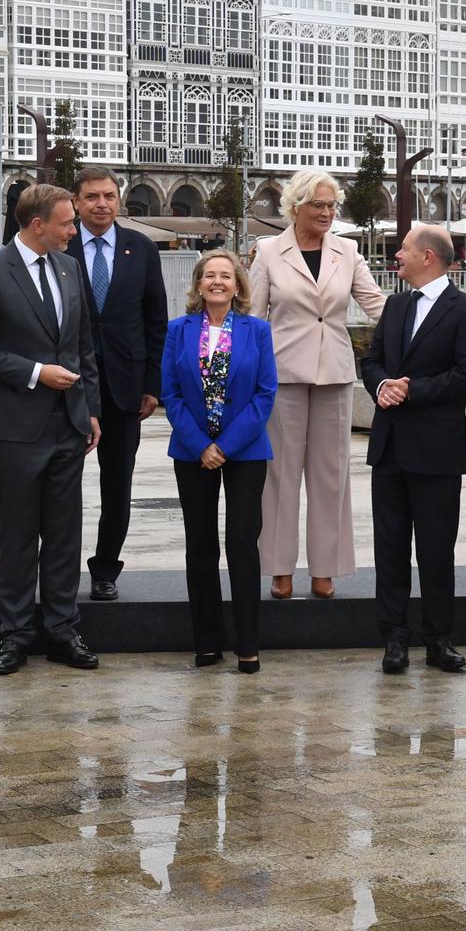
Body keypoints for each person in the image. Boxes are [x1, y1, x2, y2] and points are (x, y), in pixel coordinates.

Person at [0, 183, 102, 675]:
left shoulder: (69, 267)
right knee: (19, 536)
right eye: (67, 223)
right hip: (15, 428)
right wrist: (36, 372)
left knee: (65, 536)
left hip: (69, 424)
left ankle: (63, 630)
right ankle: (15, 634)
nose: (74, 230)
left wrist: (91, 410)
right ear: (37, 224)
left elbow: (84, 347)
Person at [247, 169, 386, 599]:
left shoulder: (348, 250)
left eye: (332, 206)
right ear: (296, 207)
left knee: (331, 475)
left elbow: (376, 304)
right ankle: (279, 568)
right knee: (279, 474)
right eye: (319, 205)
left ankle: (326, 567)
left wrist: (426, 323)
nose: (327, 213)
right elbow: (253, 317)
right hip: (282, 375)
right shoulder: (268, 251)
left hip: (337, 375)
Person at [360, 224, 466, 674]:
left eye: (404, 249)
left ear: (429, 257)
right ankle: (394, 639)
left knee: (436, 550)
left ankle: (439, 639)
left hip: (437, 450)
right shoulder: (395, 306)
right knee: (389, 549)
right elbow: (371, 360)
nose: (397, 255)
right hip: (390, 447)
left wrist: (411, 390)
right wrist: (380, 386)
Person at [163, 249, 276, 673]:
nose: (217, 282)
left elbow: (265, 394)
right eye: (209, 275)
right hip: (193, 452)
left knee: (242, 545)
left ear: (237, 285)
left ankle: (248, 645)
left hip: (245, 451)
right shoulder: (178, 330)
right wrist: (200, 446)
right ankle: (207, 643)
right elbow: (170, 394)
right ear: (198, 284)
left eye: (225, 276)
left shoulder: (257, 331)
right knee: (201, 547)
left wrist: (225, 446)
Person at [67, 167, 168, 602]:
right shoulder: (60, 245)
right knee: (62, 484)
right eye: (92, 197)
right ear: (75, 202)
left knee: (118, 484)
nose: (101, 204)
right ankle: (59, 572)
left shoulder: (140, 248)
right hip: (69, 384)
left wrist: (153, 383)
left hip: (126, 386)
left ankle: (106, 568)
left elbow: (155, 319)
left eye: (109, 195)